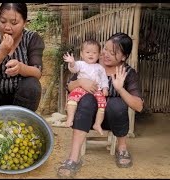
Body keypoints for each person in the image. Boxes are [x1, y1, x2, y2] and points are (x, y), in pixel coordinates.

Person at [57, 32, 144, 178]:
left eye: (113, 52)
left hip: (112, 120)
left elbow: (139, 106)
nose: (106, 54)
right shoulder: (90, 65)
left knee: (117, 104)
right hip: (86, 118)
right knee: (86, 100)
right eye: (106, 49)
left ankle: (121, 148)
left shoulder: (128, 73)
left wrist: (120, 89)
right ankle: (73, 157)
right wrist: (80, 82)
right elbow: (69, 87)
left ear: (123, 57)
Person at [62, 39, 109, 136]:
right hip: (81, 88)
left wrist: (105, 88)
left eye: (94, 52)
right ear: (82, 54)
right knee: (72, 99)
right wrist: (71, 62)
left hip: (96, 90)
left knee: (102, 104)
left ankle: (97, 124)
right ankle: (70, 118)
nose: (91, 55)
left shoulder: (100, 68)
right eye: (87, 52)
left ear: (99, 55)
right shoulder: (80, 64)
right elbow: (74, 69)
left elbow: (104, 79)